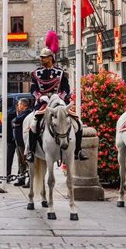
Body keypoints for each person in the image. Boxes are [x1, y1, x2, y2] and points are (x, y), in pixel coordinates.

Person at [26, 30, 88, 163]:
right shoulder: (36, 73)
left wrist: (59, 97)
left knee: (78, 123)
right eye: (41, 57)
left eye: (44, 57)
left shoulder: (61, 73)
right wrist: (39, 97)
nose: (42, 59)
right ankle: (31, 151)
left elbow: (66, 89)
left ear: (51, 58)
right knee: (34, 124)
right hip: (43, 104)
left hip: (59, 104)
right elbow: (33, 89)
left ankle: (78, 150)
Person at [12, 98, 32, 187]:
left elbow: (16, 120)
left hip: (24, 142)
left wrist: (16, 121)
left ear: (24, 105)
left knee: (26, 161)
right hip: (18, 141)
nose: (18, 106)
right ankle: (21, 179)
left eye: (19, 104)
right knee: (20, 161)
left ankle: (30, 181)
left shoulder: (27, 113)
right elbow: (13, 122)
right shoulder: (22, 113)